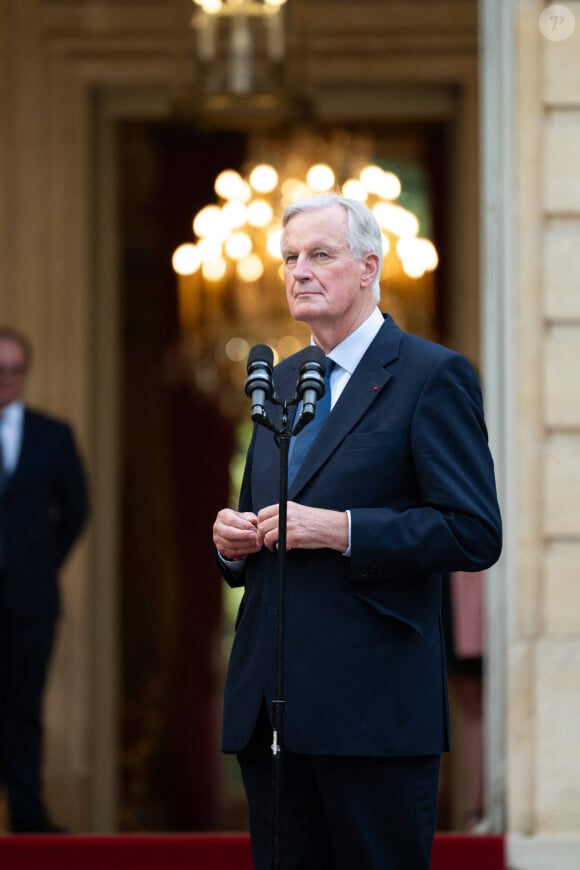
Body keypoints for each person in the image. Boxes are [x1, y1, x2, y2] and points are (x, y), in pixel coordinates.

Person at [212, 193, 502, 869]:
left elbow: (472, 531)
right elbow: (270, 518)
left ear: (369, 266)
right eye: (289, 258)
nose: (298, 272)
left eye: (320, 254)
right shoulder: (279, 381)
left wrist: (343, 530)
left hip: (372, 711)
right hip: (272, 708)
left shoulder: (432, 376)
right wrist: (233, 541)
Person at [0, 326, 89, 833]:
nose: (6, 381)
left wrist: (39, 562)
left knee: (24, 707)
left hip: (30, 598)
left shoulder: (52, 435)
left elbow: (76, 511)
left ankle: (28, 816)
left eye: (15, 371)